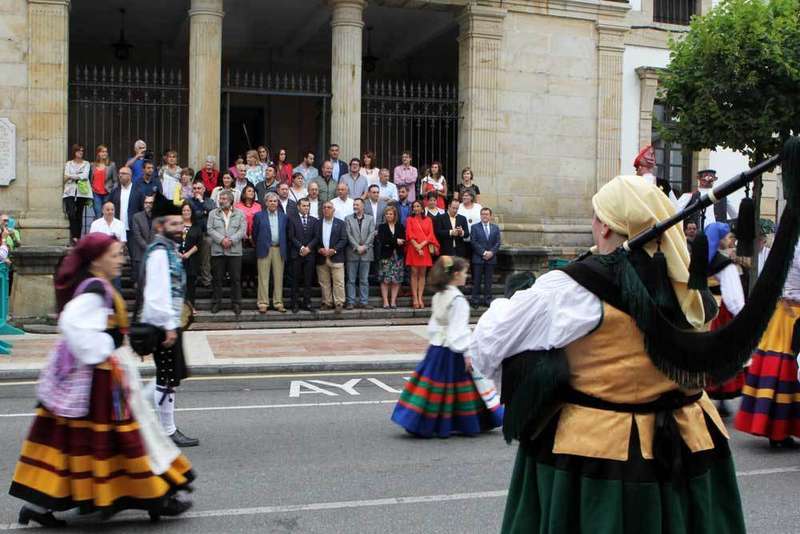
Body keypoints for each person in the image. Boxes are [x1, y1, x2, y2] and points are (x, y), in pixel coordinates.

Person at [472, 174, 749, 533]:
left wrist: (511, 304)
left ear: (604, 228)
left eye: (594, 215)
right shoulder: (689, 291)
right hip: (687, 444)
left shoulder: (569, 289)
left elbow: (486, 346)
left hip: (599, 456)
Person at [9, 234, 194, 527]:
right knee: (119, 439)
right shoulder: (95, 290)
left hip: (105, 377)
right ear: (96, 259)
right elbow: (71, 324)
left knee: (86, 444)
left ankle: (154, 495)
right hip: (97, 382)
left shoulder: (102, 287)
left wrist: (124, 341)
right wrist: (107, 349)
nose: (120, 259)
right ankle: (155, 497)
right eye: (115, 254)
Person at [391, 255, 503, 437]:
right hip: (453, 351)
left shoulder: (439, 295)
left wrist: (435, 341)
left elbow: (435, 324)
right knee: (460, 389)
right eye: (465, 273)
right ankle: (467, 422)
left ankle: (421, 421)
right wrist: (467, 353)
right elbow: (459, 330)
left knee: (433, 389)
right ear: (456, 274)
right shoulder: (458, 299)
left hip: (437, 348)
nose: (466, 276)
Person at [141, 194, 198, 447]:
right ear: (160, 226)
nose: (179, 228)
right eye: (173, 225)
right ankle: (166, 430)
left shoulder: (170, 250)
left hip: (170, 322)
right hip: (162, 325)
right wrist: (167, 326)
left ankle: (139, 412)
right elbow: (155, 294)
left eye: (180, 224)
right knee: (166, 377)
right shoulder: (159, 253)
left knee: (170, 376)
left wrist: (183, 310)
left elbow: (172, 288)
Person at [735, 240, 800, 448]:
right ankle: (780, 431)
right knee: (789, 371)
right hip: (795, 315)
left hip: (780, 313)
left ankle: (776, 431)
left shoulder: (784, 247)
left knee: (778, 370)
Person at [703, 223, 746, 414]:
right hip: (721, 314)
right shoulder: (725, 265)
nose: (731, 240)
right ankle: (721, 394)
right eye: (728, 237)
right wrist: (742, 315)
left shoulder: (699, 259)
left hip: (702, 312)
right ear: (720, 239)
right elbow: (733, 296)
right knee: (723, 356)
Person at [207, 190, 246, 315]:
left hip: (234, 252)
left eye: (224, 199)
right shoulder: (213, 214)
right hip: (218, 251)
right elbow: (210, 229)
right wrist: (221, 240)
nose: (221, 200)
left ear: (230, 200)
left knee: (235, 279)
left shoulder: (240, 214)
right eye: (220, 198)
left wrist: (231, 240)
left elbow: (242, 230)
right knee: (217, 279)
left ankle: (236, 303)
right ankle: (216, 303)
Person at [253, 192, 288, 313]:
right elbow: (255, 234)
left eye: (275, 201)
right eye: (270, 201)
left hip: (279, 249)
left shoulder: (284, 216)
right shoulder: (258, 216)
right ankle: (263, 303)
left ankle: (278, 302)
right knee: (263, 277)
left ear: (278, 203)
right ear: (266, 203)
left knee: (278, 277)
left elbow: (286, 234)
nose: (273, 203)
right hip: (264, 249)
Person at [405, 200, 439, 309]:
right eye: (414, 207)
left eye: (418, 206)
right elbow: (409, 234)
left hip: (424, 248)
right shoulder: (409, 219)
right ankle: (415, 298)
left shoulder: (428, 219)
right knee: (414, 273)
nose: (416, 208)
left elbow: (430, 235)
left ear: (422, 208)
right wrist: (417, 246)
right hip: (413, 248)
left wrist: (421, 246)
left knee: (422, 274)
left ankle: (420, 297)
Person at [287, 198, 319, 313]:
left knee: (308, 280)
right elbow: (291, 236)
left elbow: (316, 237)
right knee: (295, 280)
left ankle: (307, 302)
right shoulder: (292, 220)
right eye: (304, 206)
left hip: (309, 255)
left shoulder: (314, 221)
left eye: (307, 206)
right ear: (298, 207)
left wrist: (308, 248)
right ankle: (295, 303)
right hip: (296, 254)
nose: (306, 208)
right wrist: (301, 248)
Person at [316, 201, 347, 313]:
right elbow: (315, 239)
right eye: (324, 207)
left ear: (333, 210)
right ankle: (327, 302)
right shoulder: (317, 223)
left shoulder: (341, 223)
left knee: (338, 282)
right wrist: (319, 249)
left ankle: (339, 303)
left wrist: (334, 250)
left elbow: (344, 239)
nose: (326, 209)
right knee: (324, 282)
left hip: (336, 257)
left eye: (329, 207)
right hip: (322, 257)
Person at [345, 198, 375, 310]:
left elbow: (372, 234)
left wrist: (364, 246)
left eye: (357, 205)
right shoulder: (347, 219)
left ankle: (364, 301)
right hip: (352, 252)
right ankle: (351, 302)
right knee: (351, 279)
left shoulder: (370, 219)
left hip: (366, 253)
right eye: (354, 204)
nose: (355, 206)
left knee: (364, 279)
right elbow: (348, 234)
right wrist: (357, 247)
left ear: (363, 206)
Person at [187, 181, 216, 288]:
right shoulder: (188, 201)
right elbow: (192, 214)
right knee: (192, 258)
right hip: (192, 234)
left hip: (205, 234)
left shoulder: (209, 201)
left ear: (204, 189)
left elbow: (213, 211)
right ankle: (192, 280)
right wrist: (203, 212)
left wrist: (201, 201)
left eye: (199, 188)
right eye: (194, 188)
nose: (196, 191)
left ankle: (206, 280)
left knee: (205, 259)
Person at [470, 207, 500, 308]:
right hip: (478, 258)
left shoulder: (495, 228)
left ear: (490, 216)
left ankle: (487, 300)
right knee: (477, 281)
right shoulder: (475, 227)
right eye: (483, 214)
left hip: (491, 259)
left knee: (488, 281)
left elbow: (498, 242)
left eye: (486, 214)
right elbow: (473, 242)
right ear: (480, 215)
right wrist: (483, 253)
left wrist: (491, 252)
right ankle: (475, 300)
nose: (484, 216)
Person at [377, 205, 405, 309]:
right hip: (386, 256)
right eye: (387, 214)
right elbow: (382, 240)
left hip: (397, 256)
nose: (389, 216)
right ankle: (385, 301)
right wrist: (395, 241)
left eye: (391, 214)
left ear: (394, 215)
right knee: (385, 280)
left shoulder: (400, 226)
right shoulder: (382, 227)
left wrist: (392, 242)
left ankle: (393, 301)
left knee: (396, 280)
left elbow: (403, 241)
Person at [63, 144, 92, 244]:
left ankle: (77, 238)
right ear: (74, 152)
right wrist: (77, 175)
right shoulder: (69, 163)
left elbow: (84, 176)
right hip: (69, 192)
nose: (81, 152)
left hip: (81, 192)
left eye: (82, 151)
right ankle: (74, 235)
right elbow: (64, 177)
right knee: (71, 213)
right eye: (79, 150)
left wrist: (71, 176)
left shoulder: (86, 163)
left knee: (79, 214)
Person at [235, 184, 261, 291]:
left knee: (253, 259)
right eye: (249, 191)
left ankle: (252, 280)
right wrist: (243, 233)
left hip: (255, 237)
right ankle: (243, 281)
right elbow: (235, 221)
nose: (252, 193)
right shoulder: (237, 206)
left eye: (253, 191)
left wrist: (253, 235)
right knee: (242, 260)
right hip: (241, 237)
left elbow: (259, 221)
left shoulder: (258, 206)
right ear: (244, 193)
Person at [130, 194, 155, 294]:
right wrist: (148, 247)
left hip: (154, 255)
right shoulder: (136, 217)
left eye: (150, 203)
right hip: (140, 255)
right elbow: (137, 235)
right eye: (146, 202)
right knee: (140, 286)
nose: (148, 205)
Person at [179, 202, 202, 309]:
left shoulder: (196, 226)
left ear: (191, 212)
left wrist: (188, 253)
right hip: (177, 259)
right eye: (184, 210)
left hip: (191, 259)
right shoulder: (176, 225)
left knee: (190, 285)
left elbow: (199, 243)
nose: (186, 212)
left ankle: (190, 307)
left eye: (188, 210)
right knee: (178, 284)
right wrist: (178, 253)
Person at [89, 144, 117, 219]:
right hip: (96, 194)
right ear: (98, 153)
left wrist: (112, 191)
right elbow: (89, 179)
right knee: (98, 214)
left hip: (107, 193)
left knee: (107, 215)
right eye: (102, 151)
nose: (105, 153)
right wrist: (91, 188)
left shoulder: (111, 165)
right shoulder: (92, 165)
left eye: (106, 151)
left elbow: (115, 181)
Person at [109, 166, 134, 244]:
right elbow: (109, 207)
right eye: (119, 173)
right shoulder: (114, 192)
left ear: (130, 176)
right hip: (117, 229)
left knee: (135, 255)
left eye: (123, 173)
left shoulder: (138, 191)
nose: (120, 175)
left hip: (133, 230)